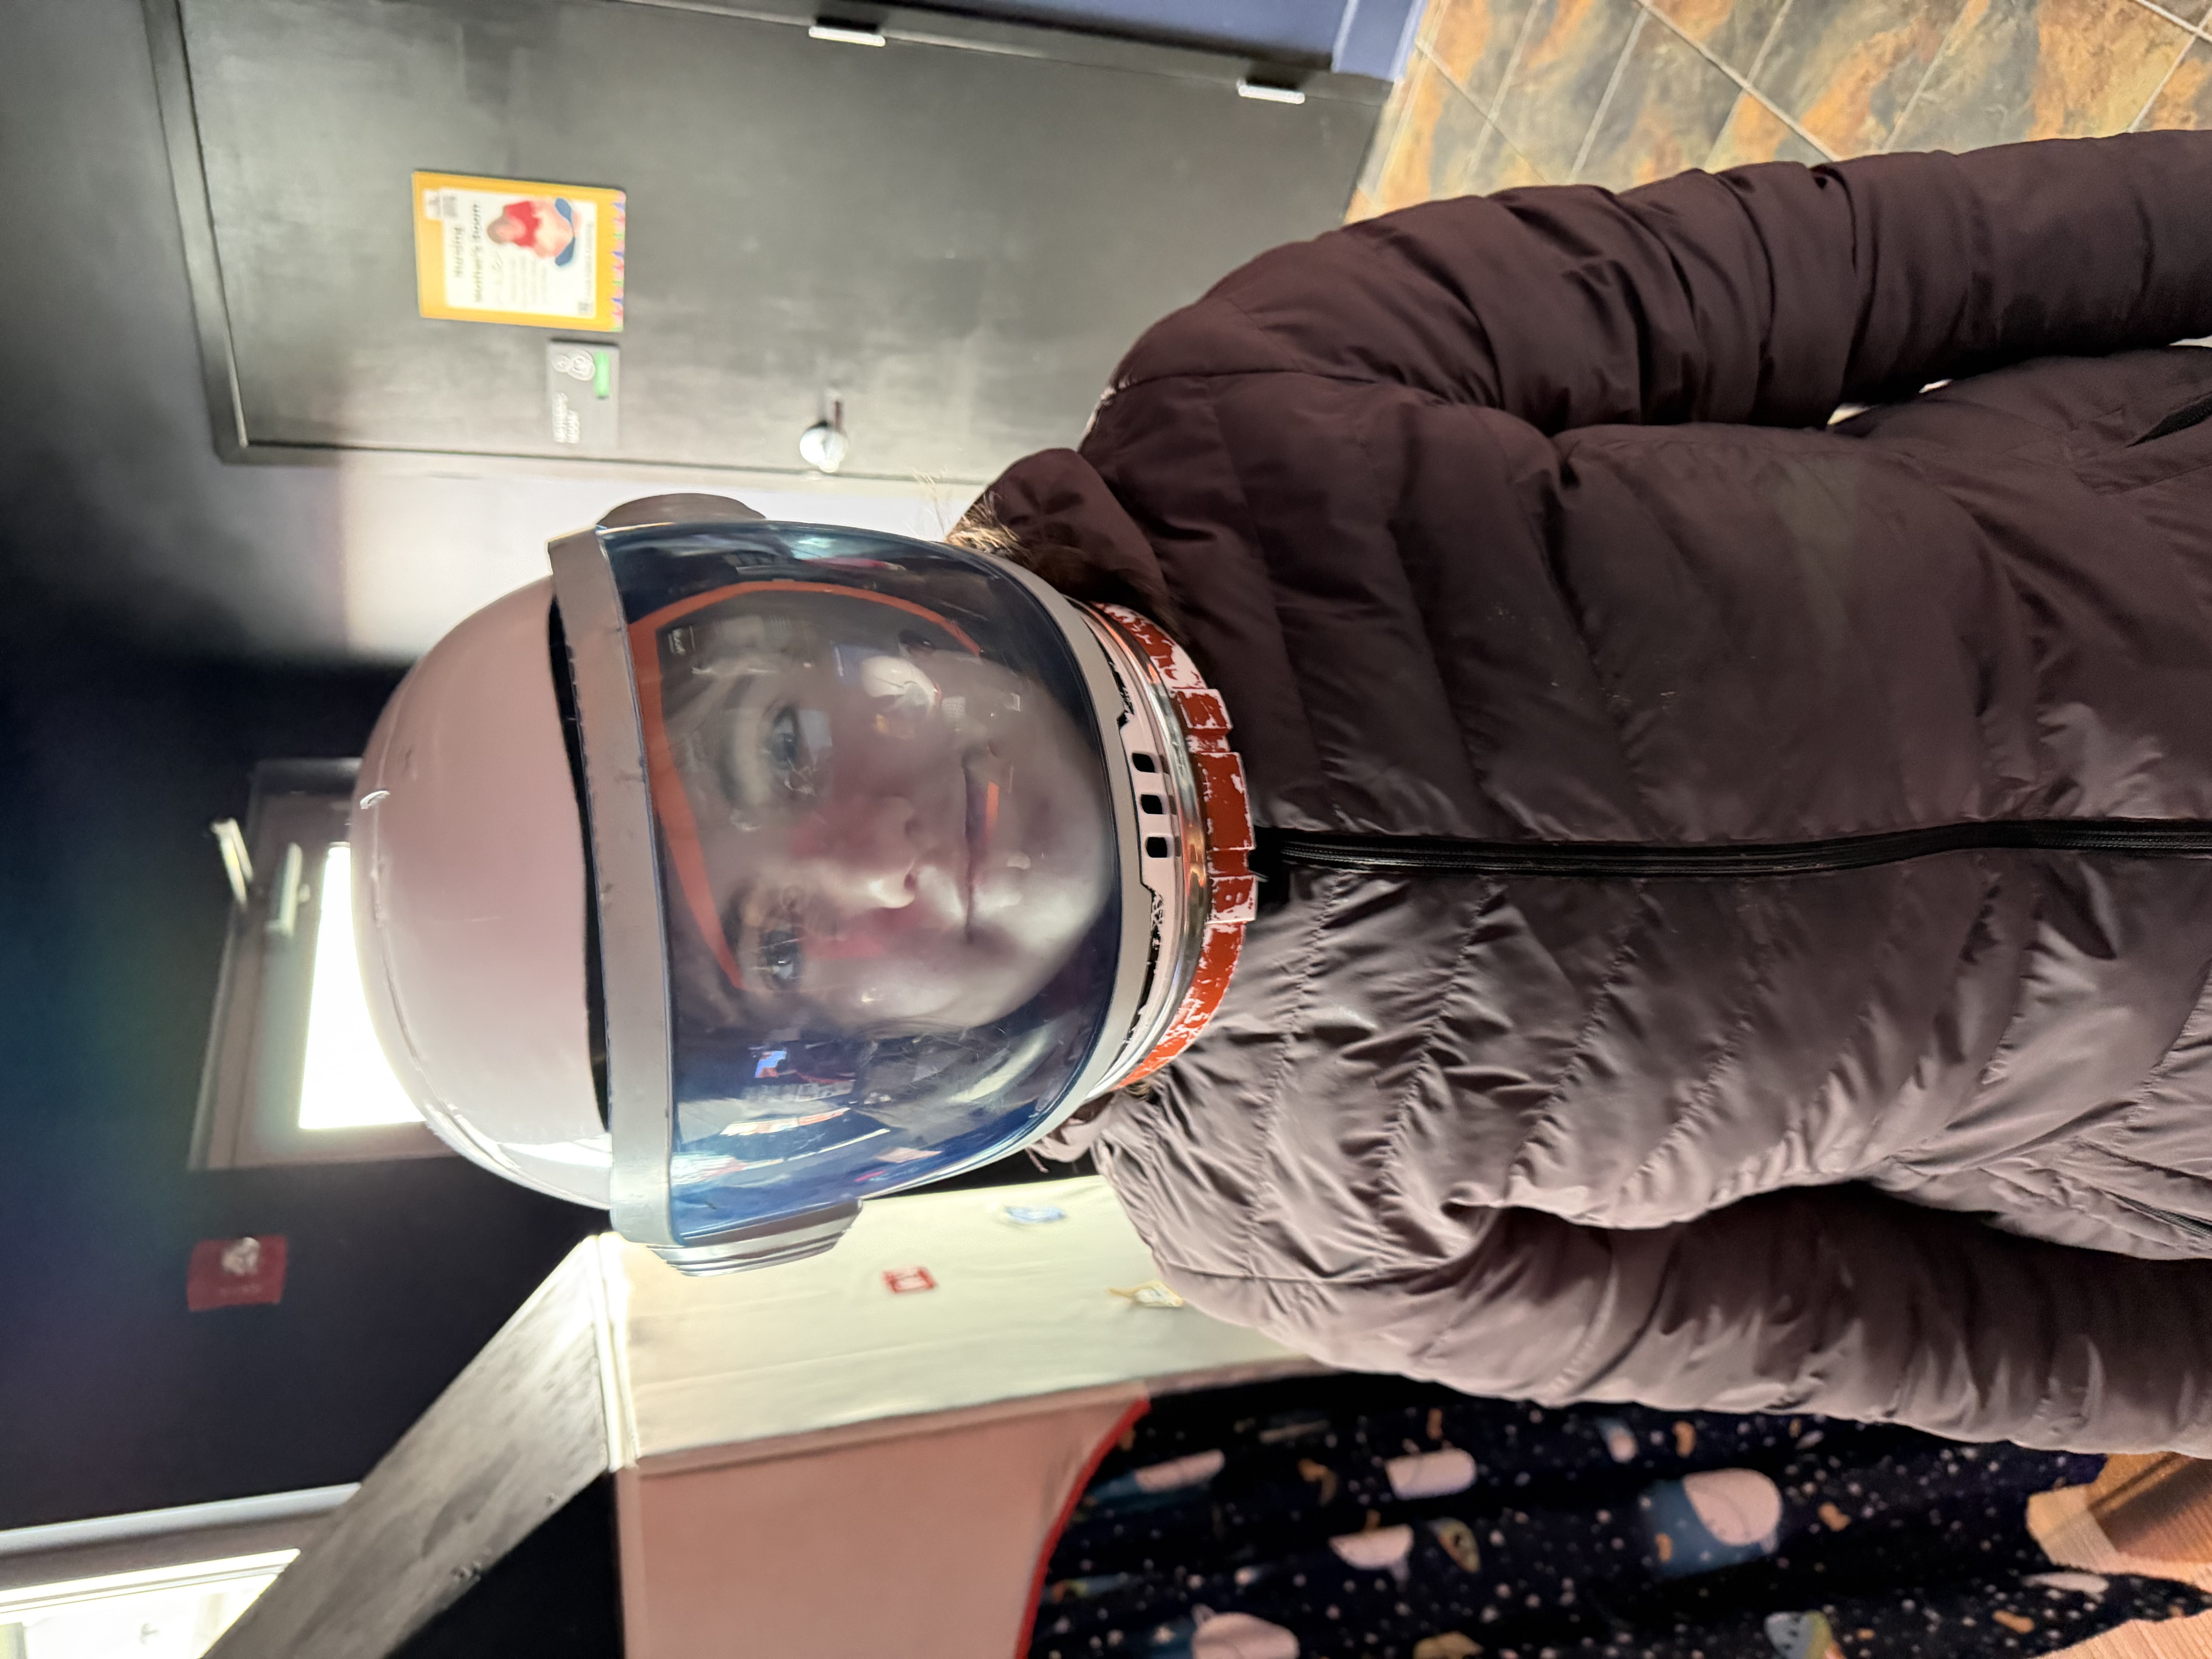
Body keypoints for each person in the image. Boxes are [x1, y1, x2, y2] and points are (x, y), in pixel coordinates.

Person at [354, 131, 2212, 1453]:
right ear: (827, 1087)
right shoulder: (1291, 1238)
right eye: (778, 938)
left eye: (774, 751)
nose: (872, 850)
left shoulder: (1259, 400)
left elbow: (1877, 257)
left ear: (809, 617)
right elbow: (1924, 1342)